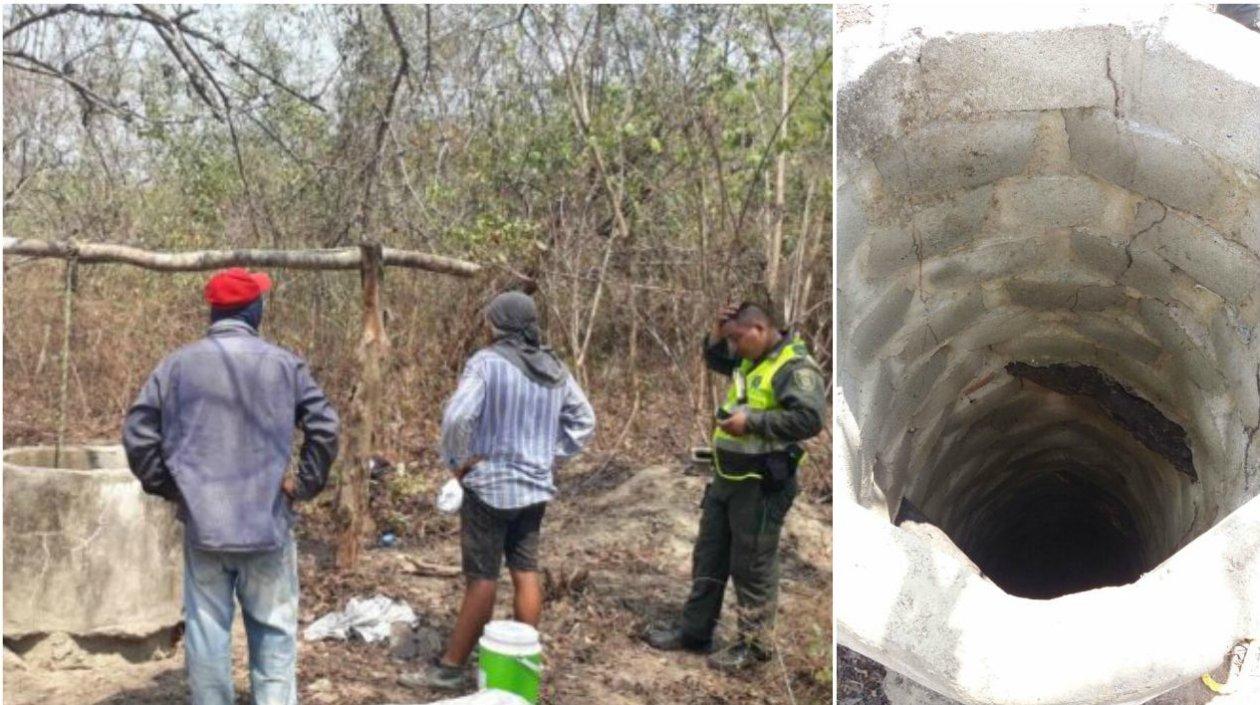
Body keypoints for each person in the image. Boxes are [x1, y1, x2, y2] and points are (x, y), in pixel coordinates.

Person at [123, 267, 340, 705]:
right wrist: (303, 485)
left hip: (205, 526)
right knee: (274, 631)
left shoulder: (177, 366)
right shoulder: (284, 364)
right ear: (253, 309)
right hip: (267, 524)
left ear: (214, 311)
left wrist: (171, 488)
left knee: (206, 632)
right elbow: (325, 427)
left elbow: (138, 433)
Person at [400, 290, 596, 691]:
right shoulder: (554, 367)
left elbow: (458, 416)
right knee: (526, 573)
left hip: (489, 487)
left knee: (482, 578)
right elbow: (584, 420)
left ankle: (452, 667)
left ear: (499, 324)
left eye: (491, 320)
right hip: (535, 489)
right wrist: (551, 454)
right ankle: (521, 663)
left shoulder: (487, 364)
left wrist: (457, 462)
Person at [646, 301, 826, 670]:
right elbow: (715, 360)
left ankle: (755, 647)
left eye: (738, 338)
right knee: (709, 555)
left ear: (759, 330)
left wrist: (753, 422)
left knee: (753, 566)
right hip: (727, 479)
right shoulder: (751, 360)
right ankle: (694, 633)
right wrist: (717, 331)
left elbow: (809, 418)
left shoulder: (793, 368)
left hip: (761, 486)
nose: (734, 347)